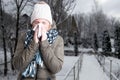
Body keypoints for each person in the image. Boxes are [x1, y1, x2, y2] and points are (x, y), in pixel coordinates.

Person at [13, 1, 64, 80]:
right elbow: (17, 65)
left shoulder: (58, 40)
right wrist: (34, 43)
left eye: (44, 22)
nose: (40, 26)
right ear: (32, 24)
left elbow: (56, 68)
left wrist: (44, 43)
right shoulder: (23, 37)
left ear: (49, 25)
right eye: (36, 22)